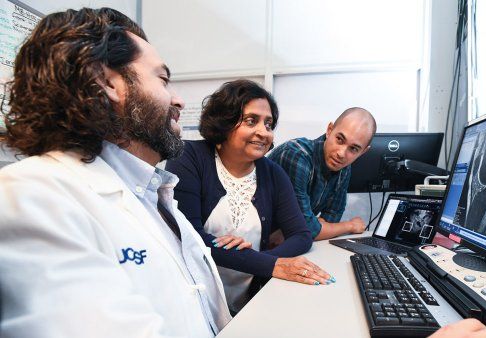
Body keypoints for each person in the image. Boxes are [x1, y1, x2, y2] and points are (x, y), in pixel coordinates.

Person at [0, 8, 231, 337]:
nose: (178, 100)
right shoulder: (31, 194)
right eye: (163, 79)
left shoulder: (154, 196)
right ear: (106, 81)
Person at [165, 79, 332, 312]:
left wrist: (258, 260)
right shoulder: (189, 157)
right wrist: (268, 263)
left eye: (269, 124)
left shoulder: (273, 173)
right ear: (225, 121)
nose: (263, 132)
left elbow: (302, 234)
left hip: (248, 301)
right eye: (251, 121)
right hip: (197, 300)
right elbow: (189, 238)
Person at [268, 107, 376, 241]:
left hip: (287, 245)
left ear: (363, 152)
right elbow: (304, 229)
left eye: (353, 149)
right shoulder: (296, 155)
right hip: (255, 244)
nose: (341, 154)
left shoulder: (344, 167)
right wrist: (350, 226)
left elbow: (332, 215)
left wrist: (313, 229)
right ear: (329, 130)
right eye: (340, 139)